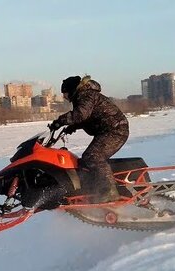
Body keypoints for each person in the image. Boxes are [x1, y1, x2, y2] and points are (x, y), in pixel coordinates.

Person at [49, 75, 129, 203]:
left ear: (72, 90)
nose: (64, 97)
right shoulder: (84, 95)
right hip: (108, 130)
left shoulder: (87, 95)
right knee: (86, 160)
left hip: (116, 131)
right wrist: (72, 127)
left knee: (93, 156)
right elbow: (88, 117)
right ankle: (94, 188)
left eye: (65, 93)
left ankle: (110, 192)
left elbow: (81, 114)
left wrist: (60, 121)